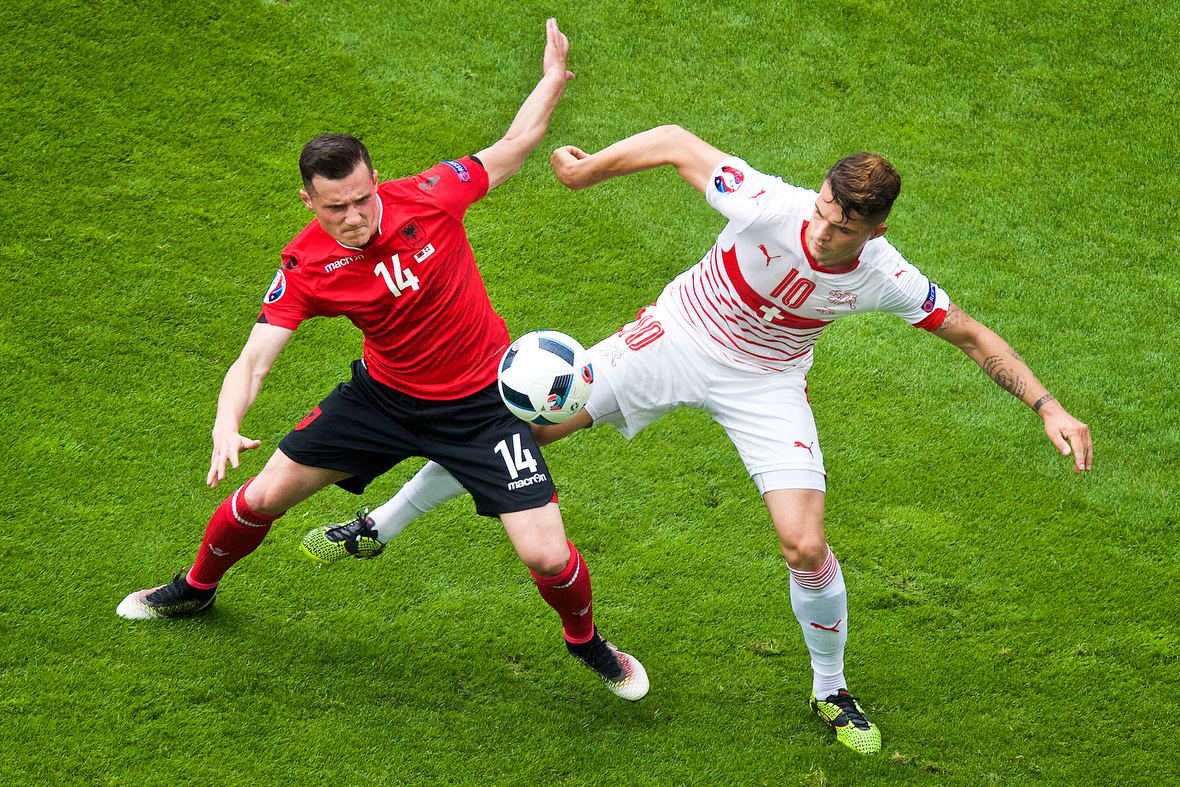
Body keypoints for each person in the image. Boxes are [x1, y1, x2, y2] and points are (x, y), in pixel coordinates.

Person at [301, 124, 1093, 753]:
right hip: (673, 338)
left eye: (840, 228)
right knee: (518, 427)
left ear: (875, 228)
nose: (818, 233)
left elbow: (969, 334)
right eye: (818, 212)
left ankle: (829, 687)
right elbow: (677, 142)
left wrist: (1047, 404)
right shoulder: (767, 202)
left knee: (804, 546)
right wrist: (588, 171)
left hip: (766, 385)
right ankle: (380, 524)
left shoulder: (883, 274)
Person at [116, 20, 649, 703]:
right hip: (382, 403)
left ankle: (587, 642)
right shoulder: (307, 265)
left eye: (364, 198)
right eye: (337, 207)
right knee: (259, 497)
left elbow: (513, 148)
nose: (357, 216)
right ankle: (193, 590)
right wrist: (228, 421)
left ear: (376, 180)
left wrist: (550, 80)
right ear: (309, 202)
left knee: (547, 553)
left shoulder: (428, 196)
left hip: (484, 406)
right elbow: (254, 360)